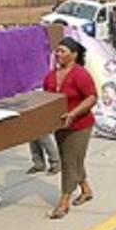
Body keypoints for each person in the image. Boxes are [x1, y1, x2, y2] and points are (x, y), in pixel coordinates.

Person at [43, 36, 98, 219]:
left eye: (63, 51)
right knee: (74, 160)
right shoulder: (50, 76)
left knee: (68, 161)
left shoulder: (80, 74)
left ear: (73, 55)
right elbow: (47, 99)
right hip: (60, 126)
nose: (58, 54)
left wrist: (73, 113)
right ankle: (86, 190)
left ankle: (64, 202)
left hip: (80, 125)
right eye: (57, 51)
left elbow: (91, 97)